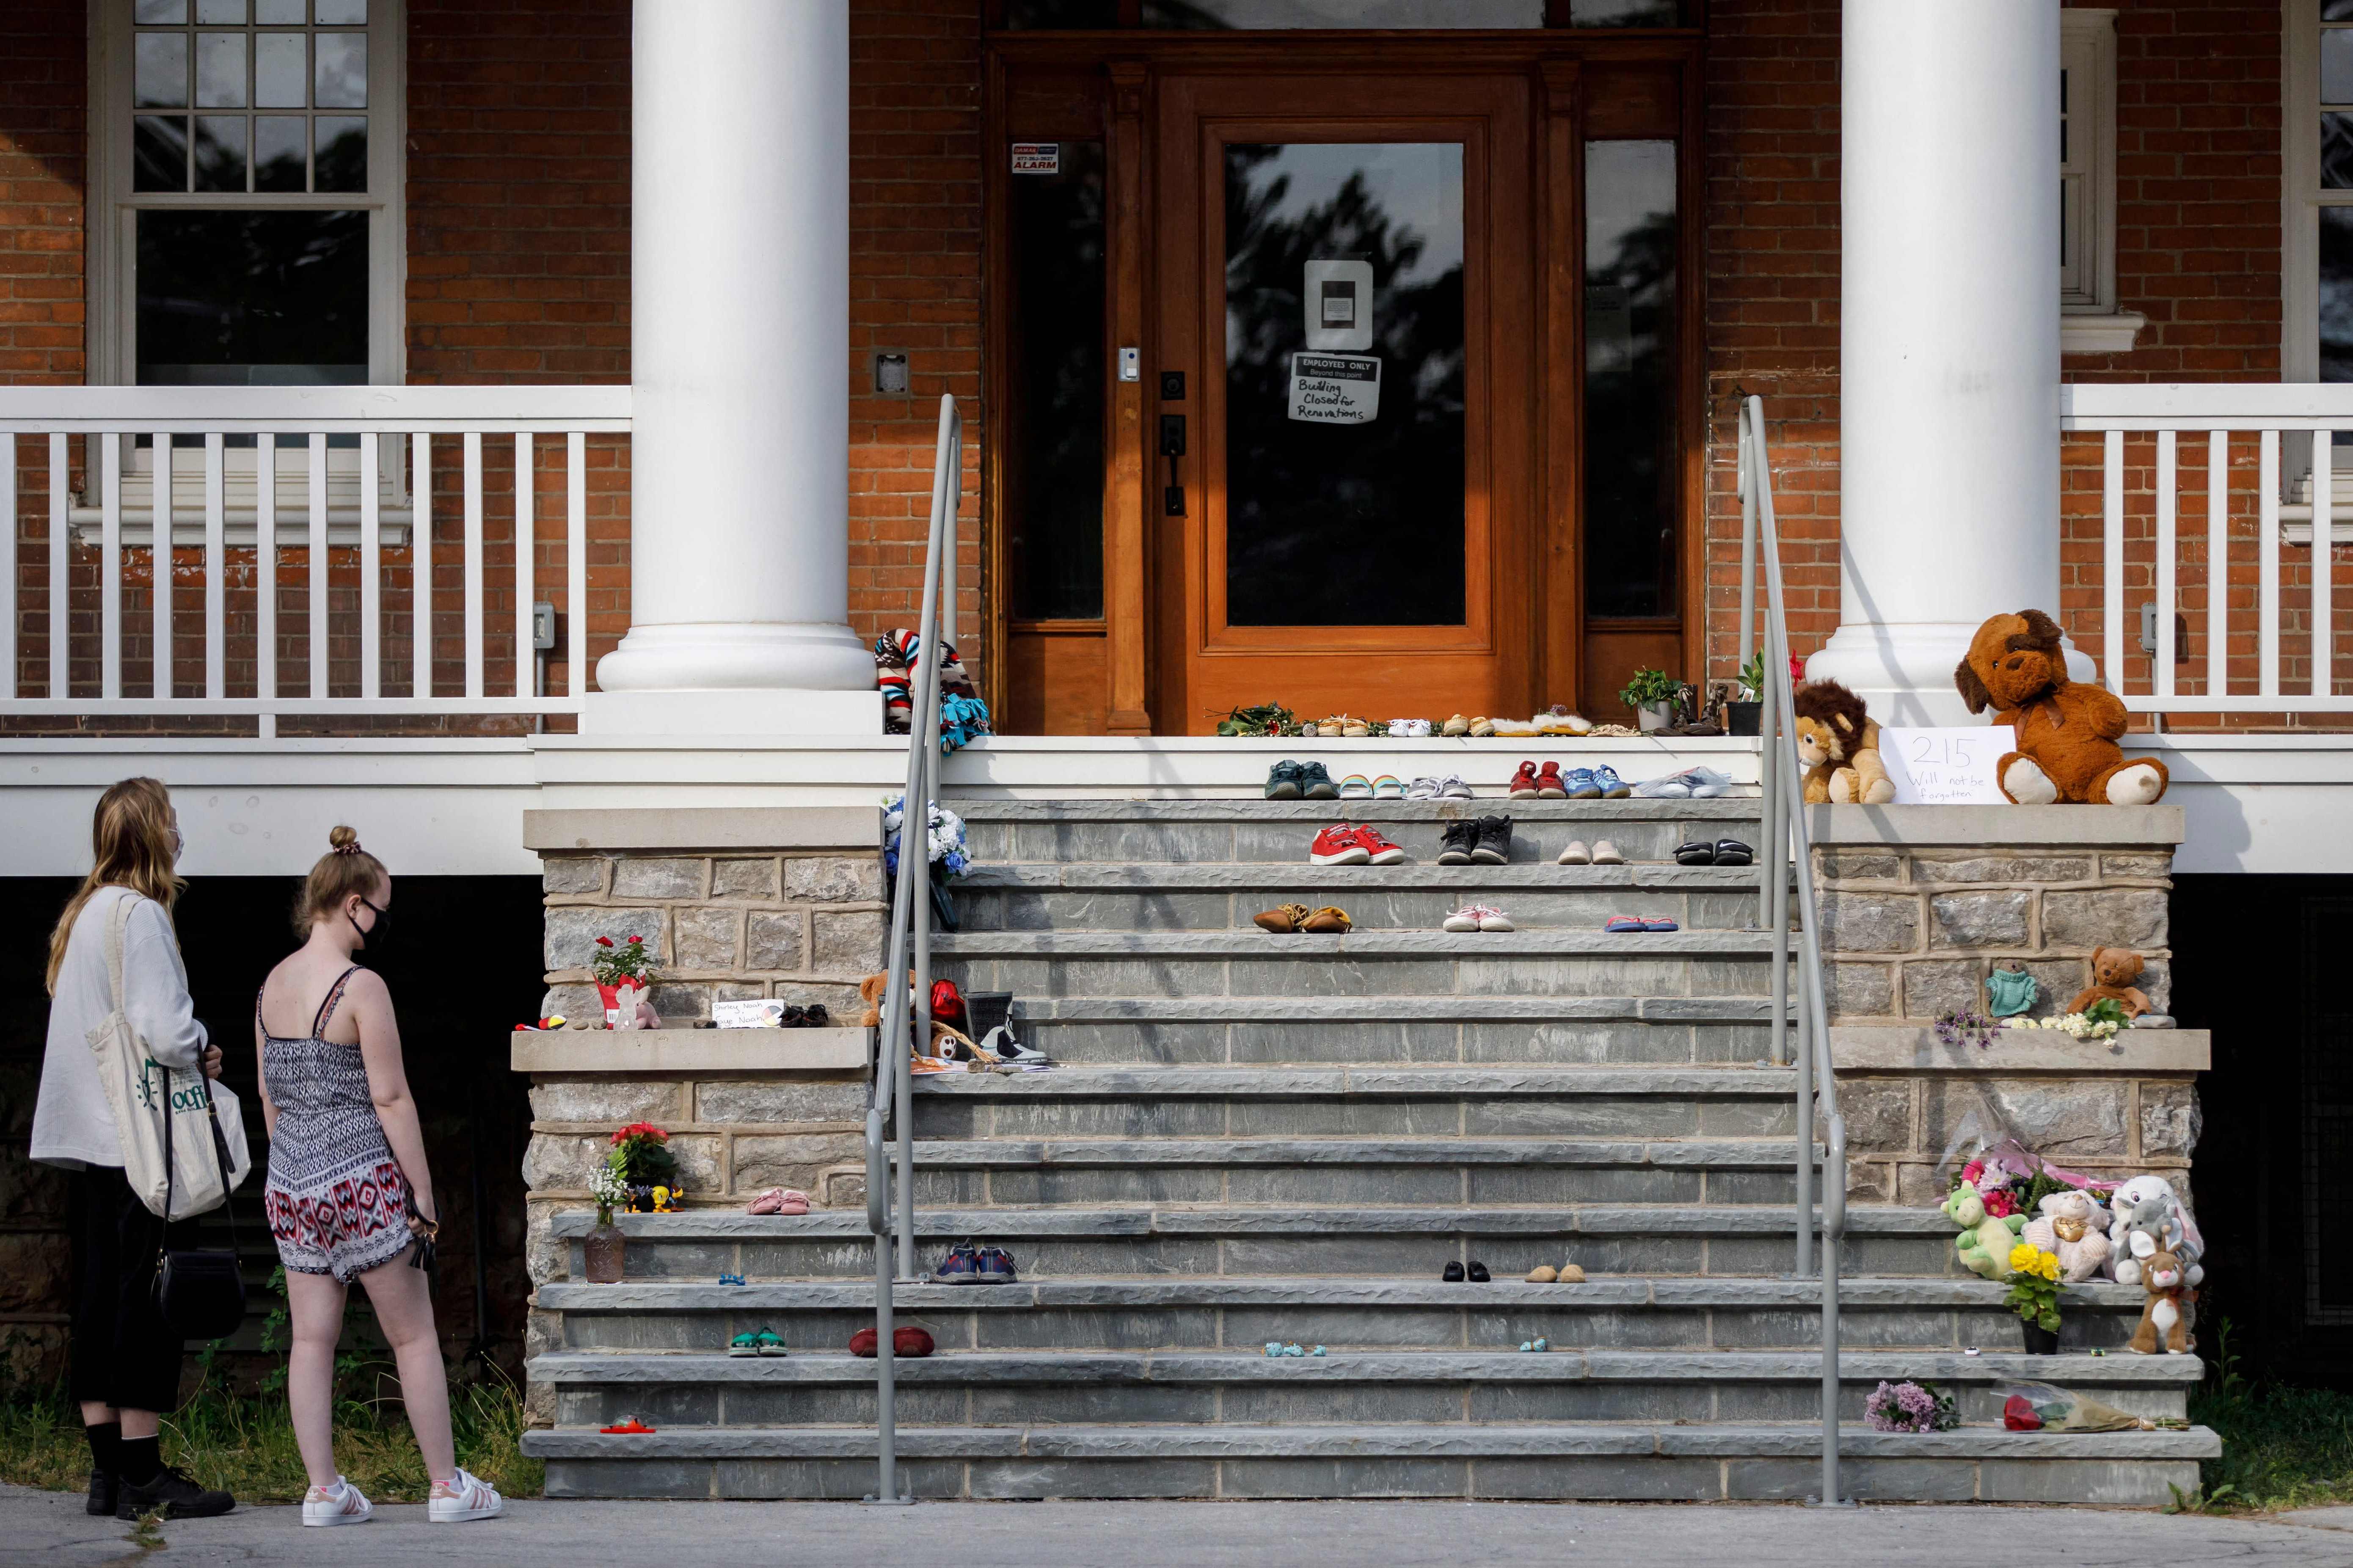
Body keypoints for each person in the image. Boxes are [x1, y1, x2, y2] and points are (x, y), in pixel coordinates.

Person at [256, 825, 503, 1527]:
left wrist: (298, 1173)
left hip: (291, 1182)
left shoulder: (270, 986)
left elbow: (272, 1100)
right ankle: (448, 1486)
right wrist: (419, 1193)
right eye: (381, 910)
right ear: (354, 903)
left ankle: (325, 1492)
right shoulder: (362, 986)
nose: (382, 925)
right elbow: (391, 1097)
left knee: (311, 1338)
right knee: (413, 1335)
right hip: (362, 1178)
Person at [33, 776, 237, 1521]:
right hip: (138, 1145)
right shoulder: (142, 915)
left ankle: (108, 1474)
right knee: (147, 1302)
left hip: (90, 1139)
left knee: (97, 1301)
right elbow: (163, 1029)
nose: (180, 832)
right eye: (173, 821)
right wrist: (202, 1046)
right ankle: (146, 1473)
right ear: (155, 833)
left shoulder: (83, 914)